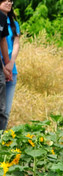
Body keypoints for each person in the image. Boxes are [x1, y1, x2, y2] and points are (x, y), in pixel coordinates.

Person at [0, 0, 19, 131]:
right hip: (1, 67)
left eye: (11, 0)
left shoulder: (14, 23)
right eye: (5, 0)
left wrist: (10, 63)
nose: (8, 2)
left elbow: (16, 43)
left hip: (10, 69)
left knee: (5, 112)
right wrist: (3, 67)